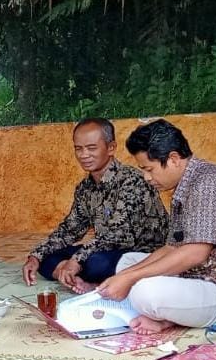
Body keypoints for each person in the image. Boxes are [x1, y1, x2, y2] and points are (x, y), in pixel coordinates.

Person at [97, 119, 216, 333]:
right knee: (127, 262)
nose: (147, 177)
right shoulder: (186, 184)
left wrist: (130, 278)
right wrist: (125, 276)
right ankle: (171, 315)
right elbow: (172, 247)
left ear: (173, 159)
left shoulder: (208, 183)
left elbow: (195, 254)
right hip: (204, 275)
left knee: (145, 291)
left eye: (149, 169)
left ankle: (169, 314)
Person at [22, 118, 168, 293]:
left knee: (96, 263)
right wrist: (35, 257)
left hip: (141, 255)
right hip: (105, 249)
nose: (84, 155)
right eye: (78, 148)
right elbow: (70, 229)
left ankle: (85, 277)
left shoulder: (132, 181)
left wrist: (77, 260)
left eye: (91, 148)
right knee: (48, 257)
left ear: (111, 147)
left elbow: (118, 236)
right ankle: (72, 277)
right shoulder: (85, 187)